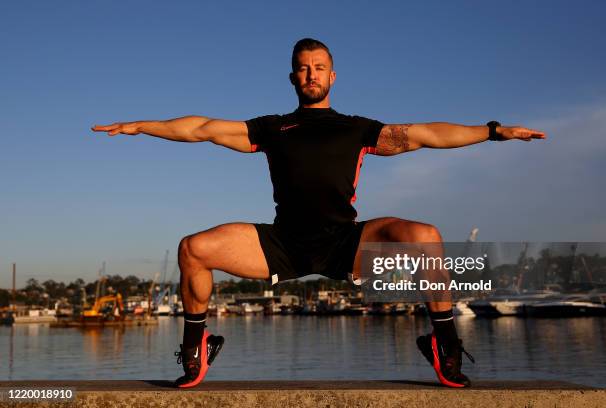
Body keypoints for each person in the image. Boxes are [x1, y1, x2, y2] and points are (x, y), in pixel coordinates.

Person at [92, 38, 545, 388]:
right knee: (193, 248)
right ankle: (196, 349)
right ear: (293, 77)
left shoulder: (357, 129)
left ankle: (444, 348)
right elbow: (201, 129)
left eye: (320, 68)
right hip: (282, 243)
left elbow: (428, 134)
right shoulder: (271, 128)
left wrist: (491, 131)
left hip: (344, 243)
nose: (312, 74)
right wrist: (142, 126)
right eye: (304, 68)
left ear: (332, 76)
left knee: (425, 234)